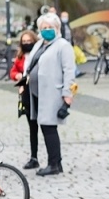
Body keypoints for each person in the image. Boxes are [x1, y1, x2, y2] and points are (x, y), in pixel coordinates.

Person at [25, 11, 76, 177]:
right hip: (37, 93)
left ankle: (54, 164)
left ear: (57, 28)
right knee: (44, 126)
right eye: (44, 27)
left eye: (50, 27)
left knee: (49, 127)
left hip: (53, 93)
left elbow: (69, 71)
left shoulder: (63, 45)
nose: (47, 30)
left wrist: (68, 94)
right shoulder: (40, 44)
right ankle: (56, 163)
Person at [11, 29, 42, 168]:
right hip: (26, 92)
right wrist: (17, 76)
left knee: (46, 126)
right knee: (32, 126)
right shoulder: (20, 56)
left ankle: (53, 159)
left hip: (39, 91)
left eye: (29, 41)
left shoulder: (39, 54)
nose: (27, 43)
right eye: (24, 41)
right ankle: (34, 157)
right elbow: (13, 71)